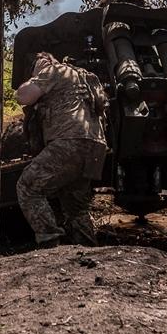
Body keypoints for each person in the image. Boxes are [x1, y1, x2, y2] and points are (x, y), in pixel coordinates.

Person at [15, 51, 109, 246]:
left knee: (28, 187)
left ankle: (49, 243)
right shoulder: (82, 76)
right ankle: (87, 248)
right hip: (94, 146)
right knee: (76, 206)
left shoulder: (54, 70)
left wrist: (33, 78)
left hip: (70, 142)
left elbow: (23, 97)